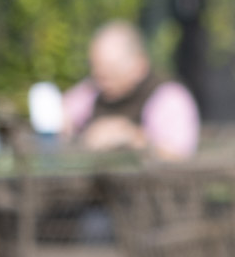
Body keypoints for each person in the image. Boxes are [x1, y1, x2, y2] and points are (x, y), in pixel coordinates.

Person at [61, 20, 201, 161]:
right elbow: (60, 114)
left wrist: (131, 137)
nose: (100, 76)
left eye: (112, 69)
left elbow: (179, 154)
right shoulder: (92, 91)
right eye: (96, 67)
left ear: (139, 64)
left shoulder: (169, 97)